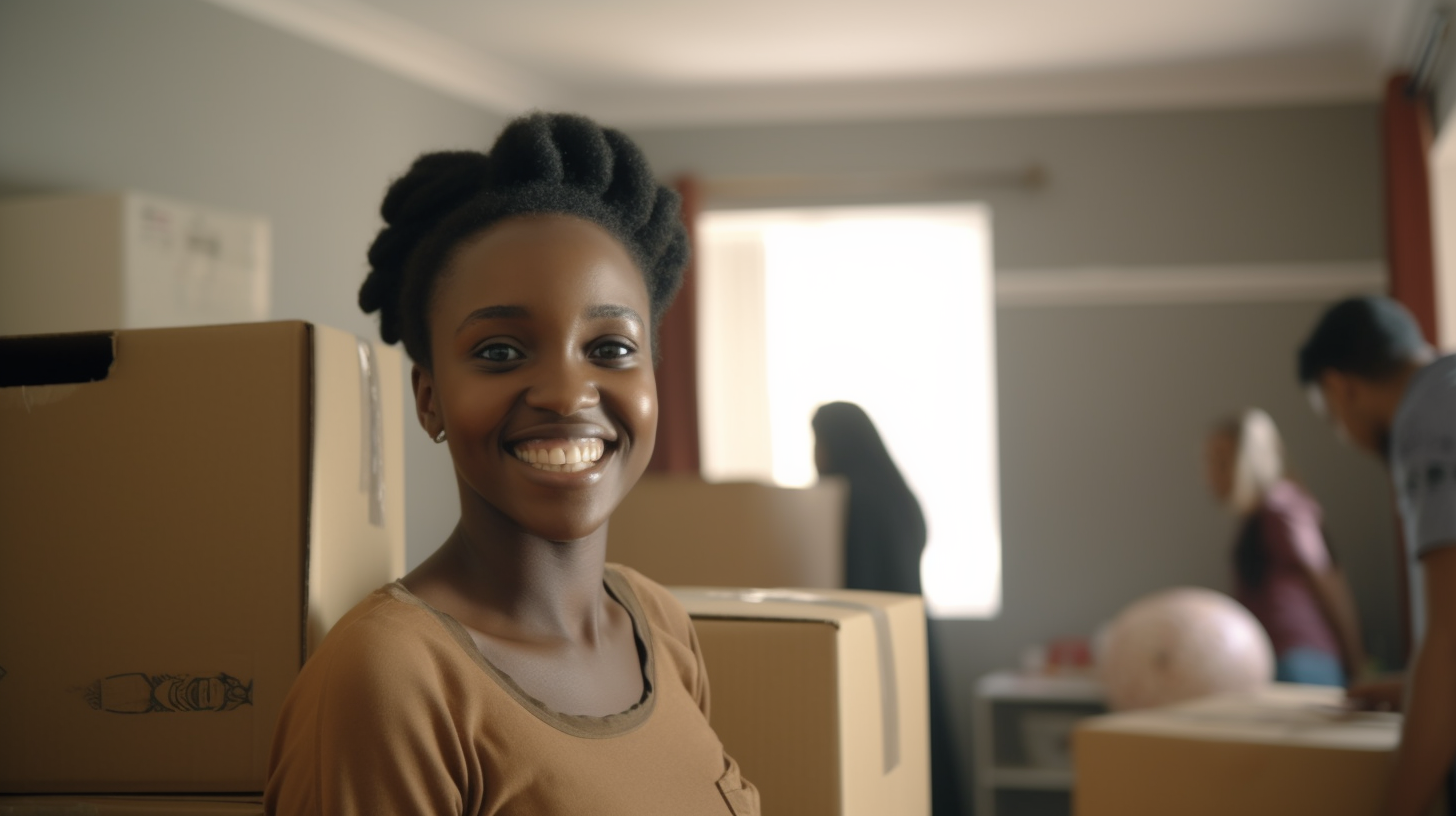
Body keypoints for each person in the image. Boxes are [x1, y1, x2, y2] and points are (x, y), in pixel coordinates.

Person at [266, 113, 759, 815]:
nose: (566, 394)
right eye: (500, 351)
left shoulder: (660, 624)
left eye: (612, 348)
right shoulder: (390, 681)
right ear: (430, 399)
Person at [1297, 295, 1453, 816]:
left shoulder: (1428, 414)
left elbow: (1453, 636)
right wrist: (1416, 687)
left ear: (1341, 387)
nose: (1343, 434)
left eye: (1331, 416)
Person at [812, 401, 962, 815]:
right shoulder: (895, 491)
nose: (815, 455)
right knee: (925, 742)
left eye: (817, 441)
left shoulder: (853, 499)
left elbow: (853, 579)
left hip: (872, 641)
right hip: (912, 630)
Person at [1202, 408, 1364, 686]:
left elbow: (1327, 581)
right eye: (1210, 461)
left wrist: (1357, 662)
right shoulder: (1253, 518)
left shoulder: (1282, 507)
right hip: (1269, 657)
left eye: (1224, 461)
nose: (1212, 473)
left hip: (1301, 659)